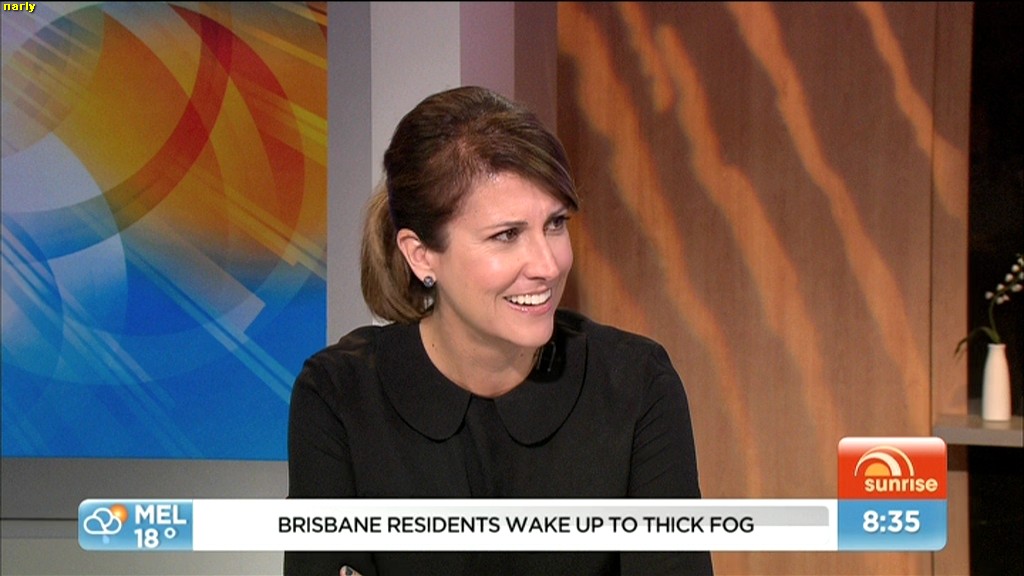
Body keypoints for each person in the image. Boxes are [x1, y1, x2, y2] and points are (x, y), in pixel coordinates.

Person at [284, 85, 713, 575]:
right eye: (507, 235)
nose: (548, 265)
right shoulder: (339, 396)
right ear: (421, 255)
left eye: (555, 224)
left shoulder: (635, 384)